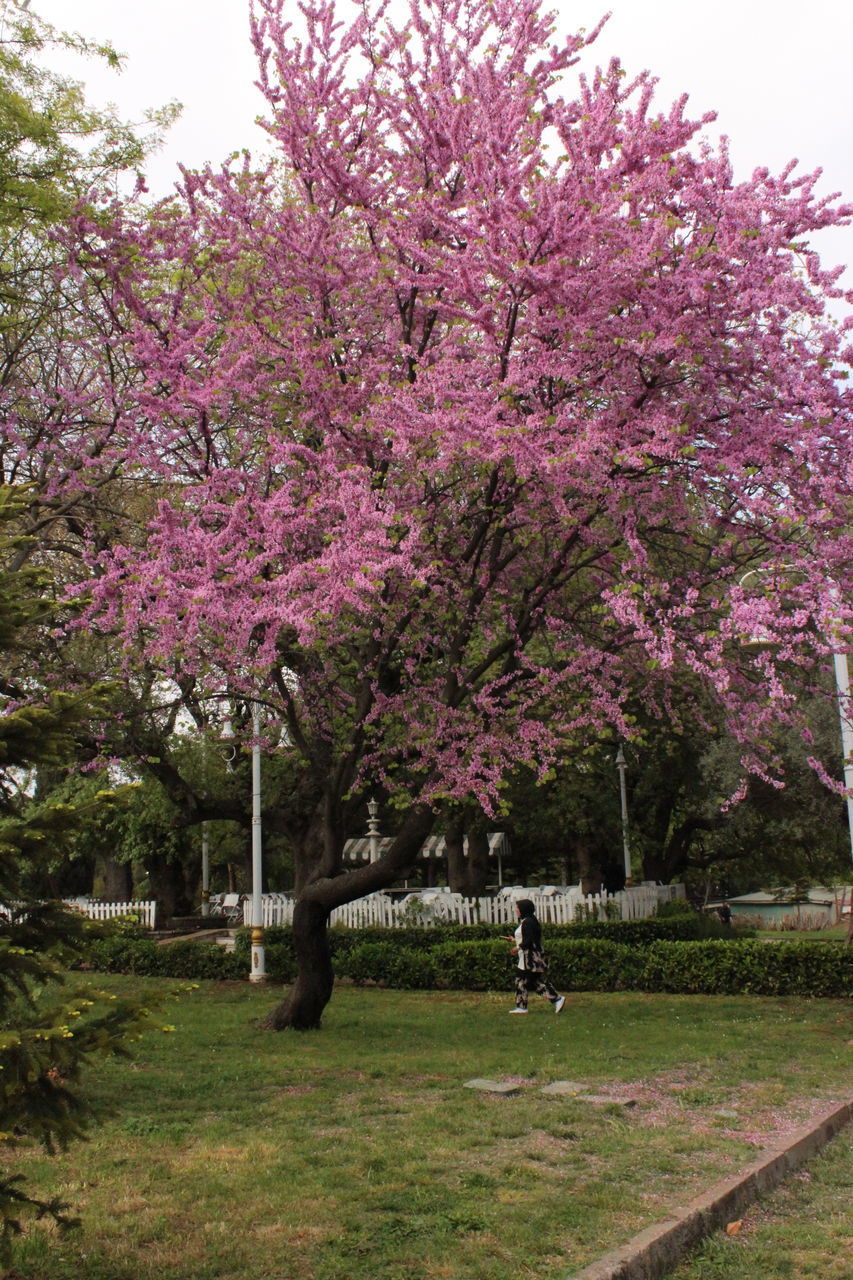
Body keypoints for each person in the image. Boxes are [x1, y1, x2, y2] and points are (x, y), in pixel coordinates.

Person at [501, 899, 565, 1014]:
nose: (516, 910)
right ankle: (521, 1006)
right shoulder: (529, 921)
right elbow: (528, 938)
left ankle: (557, 998)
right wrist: (514, 940)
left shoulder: (528, 922)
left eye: (517, 908)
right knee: (523, 981)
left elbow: (529, 941)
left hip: (530, 958)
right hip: (527, 958)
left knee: (530, 981)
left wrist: (517, 948)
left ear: (523, 909)